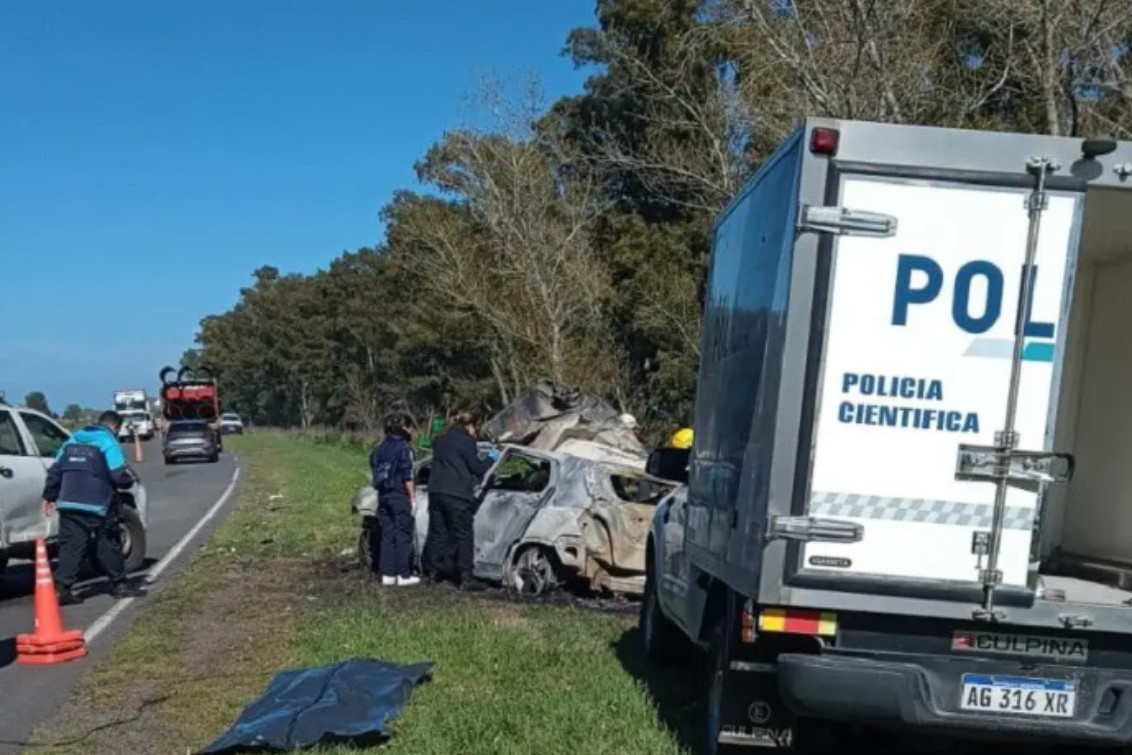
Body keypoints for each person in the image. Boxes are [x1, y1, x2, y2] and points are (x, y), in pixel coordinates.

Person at [42, 410, 146, 605]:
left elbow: (55, 471)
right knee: (107, 543)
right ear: (115, 427)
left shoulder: (72, 440)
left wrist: (49, 496)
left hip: (68, 502)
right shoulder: (108, 442)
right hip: (98, 503)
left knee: (71, 547)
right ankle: (119, 585)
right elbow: (118, 475)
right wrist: (129, 481)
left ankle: (62, 589)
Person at [426, 411, 495, 590]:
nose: (476, 432)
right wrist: (492, 457)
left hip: (435, 492)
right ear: (469, 426)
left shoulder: (441, 439)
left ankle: (433, 573)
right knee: (464, 535)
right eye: (475, 428)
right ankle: (466, 577)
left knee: (438, 533)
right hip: (457, 495)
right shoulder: (466, 441)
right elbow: (477, 469)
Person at [370, 412, 419, 587]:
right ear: (404, 429)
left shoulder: (379, 449)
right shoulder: (404, 448)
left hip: (383, 495)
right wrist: (412, 498)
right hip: (400, 494)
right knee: (403, 534)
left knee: (388, 535)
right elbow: (408, 475)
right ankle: (403, 574)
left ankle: (388, 574)